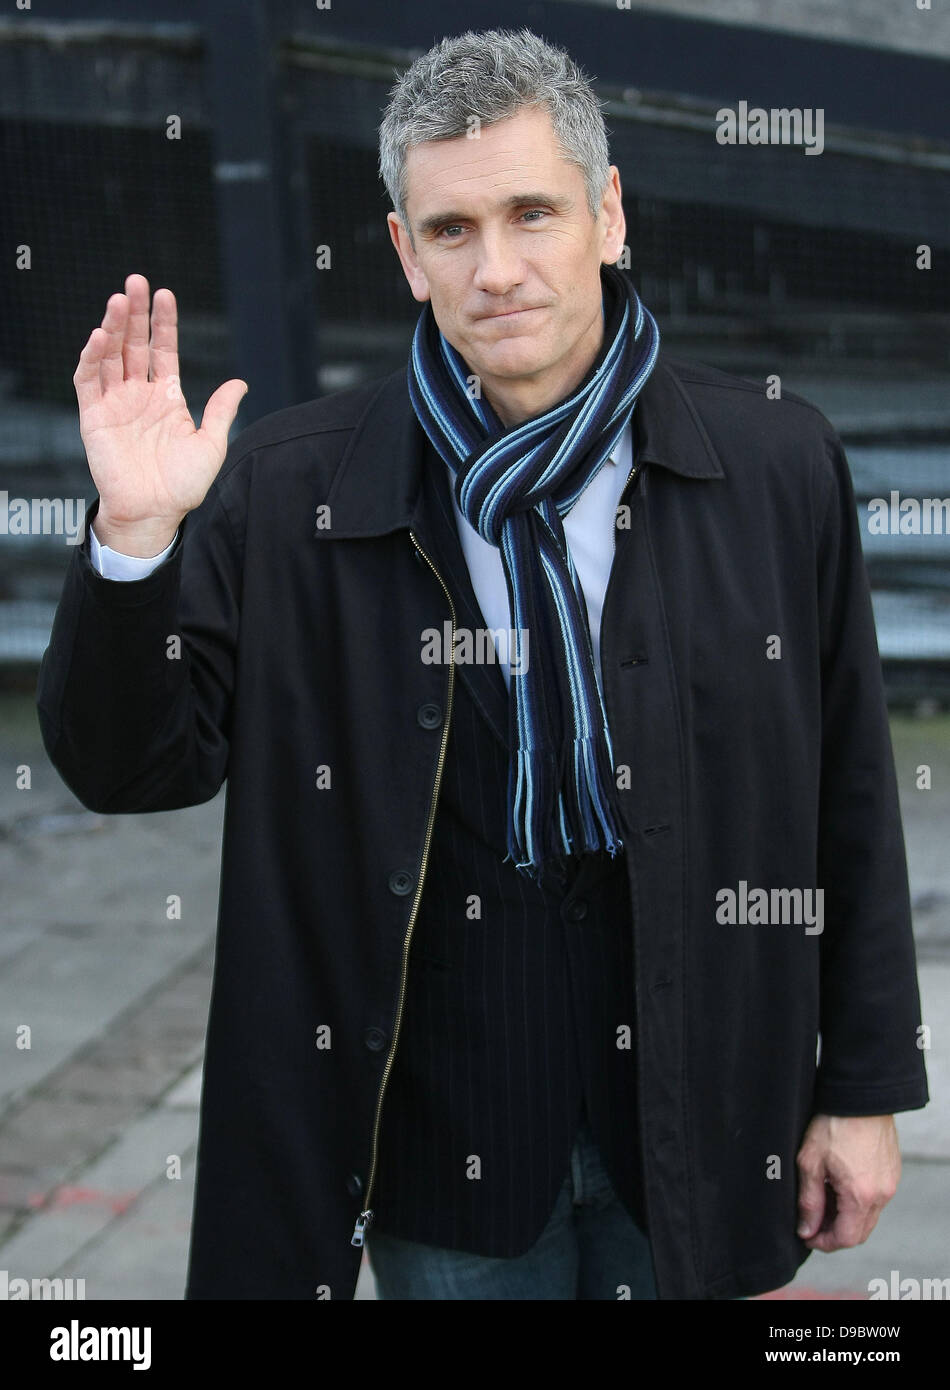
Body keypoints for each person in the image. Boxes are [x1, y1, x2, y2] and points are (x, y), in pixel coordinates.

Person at [37, 27, 928, 1301]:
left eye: (531, 213)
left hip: (699, 1117)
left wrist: (864, 1086)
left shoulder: (775, 460)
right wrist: (134, 538)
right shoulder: (291, 487)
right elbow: (134, 769)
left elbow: (847, 787)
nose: (496, 267)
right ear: (403, 253)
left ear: (608, 214)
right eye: (450, 229)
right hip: (441, 1144)